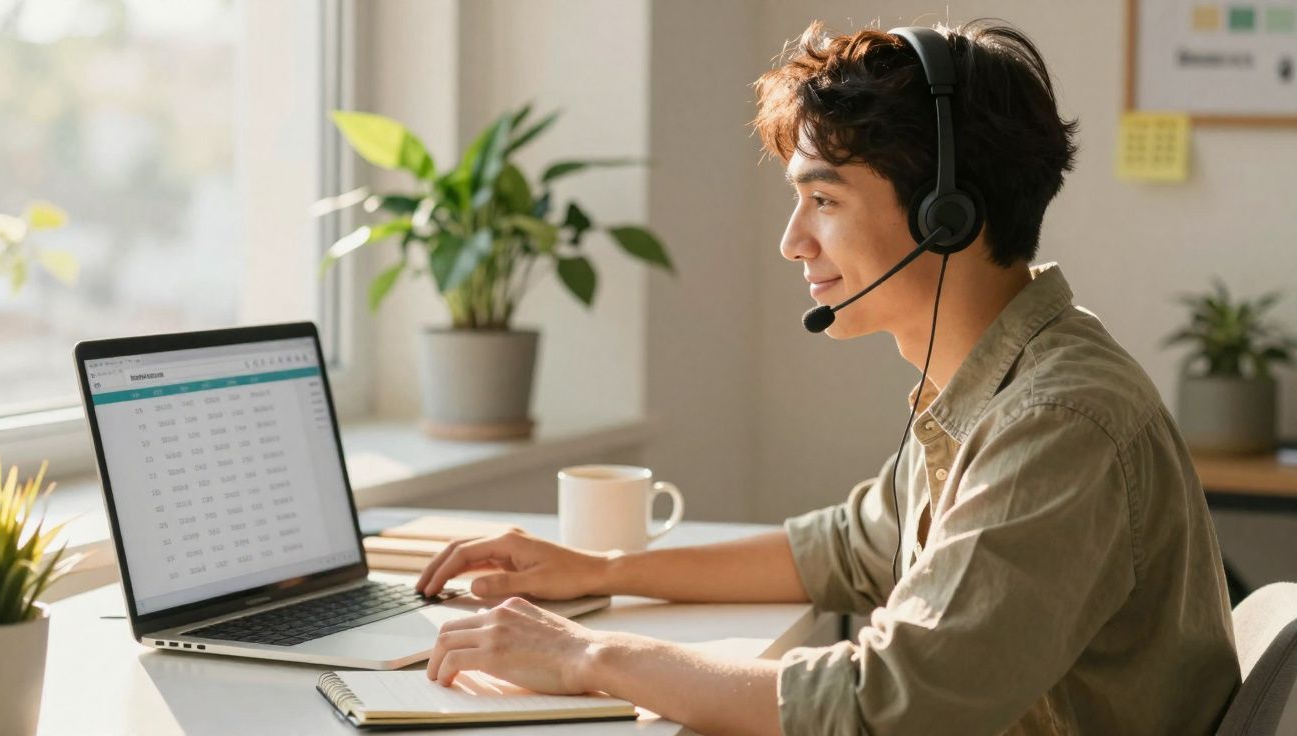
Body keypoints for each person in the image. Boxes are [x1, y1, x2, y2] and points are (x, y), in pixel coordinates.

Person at [414, 19, 1240, 735]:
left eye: (825, 201)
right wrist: (602, 570)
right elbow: (844, 548)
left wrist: (591, 653)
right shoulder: (993, 383)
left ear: (944, 216)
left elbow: (890, 707)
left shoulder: (1059, 421)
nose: (792, 241)